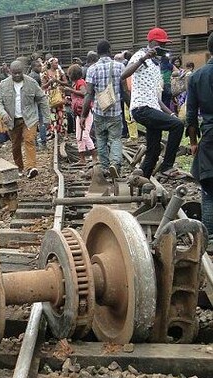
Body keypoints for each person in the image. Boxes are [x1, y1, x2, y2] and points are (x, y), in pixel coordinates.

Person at [121, 27, 185, 179]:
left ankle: (143, 184)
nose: (163, 48)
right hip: (142, 108)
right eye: (161, 44)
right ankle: (167, 166)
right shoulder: (141, 55)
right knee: (177, 126)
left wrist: (171, 113)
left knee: (154, 151)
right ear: (153, 43)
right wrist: (144, 58)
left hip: (152, 107)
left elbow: (156, 98)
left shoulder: (157, 66)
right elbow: (124, 75)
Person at [0, 61, 50, 179]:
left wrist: (46, 118)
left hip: (29, 118)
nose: (16, 75)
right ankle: (19, 167)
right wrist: (3, 113)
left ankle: (31, 168)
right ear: (10, 71)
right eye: (14, 73)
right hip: (12, 120)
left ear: (23, 71)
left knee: (29, 140)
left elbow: (42, 99)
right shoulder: (3, 85)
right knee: (15, 145)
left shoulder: (31, 83)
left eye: (19, 73)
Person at [82, 40, 125, 177]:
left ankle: (106, 167)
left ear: (97, 52)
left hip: (99, 111)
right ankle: (115, 163)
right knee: (115, 139)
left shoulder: (92, 69)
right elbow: (125, 91)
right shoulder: (120, 66)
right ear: (110, 50)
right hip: (115, 110)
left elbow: (89, 94)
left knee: (100, 139)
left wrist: (83, 115)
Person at [186, 32, 213, 247]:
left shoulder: (196, 77)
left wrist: (193, 143)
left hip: (210, 138)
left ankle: (210, 241)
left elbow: (191, 115)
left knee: (209, 190)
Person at [65, 64, 98, 165]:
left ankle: (95, 157)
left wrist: (70, 90)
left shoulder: (80, 82)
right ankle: (82, 159)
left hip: (86, 112)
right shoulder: (75, 84)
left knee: (85, 136)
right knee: (78, 137)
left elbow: (84, 93)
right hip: (78, 113)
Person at [42, 57, 68, 140]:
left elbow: (66, 82)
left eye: (57, 63)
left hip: (60, 96)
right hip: (51, 97)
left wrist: (57, 81)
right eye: (55, 63)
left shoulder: (60, 72)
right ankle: (54, 132)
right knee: (53, 115)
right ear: (51, 64)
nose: (57, 64)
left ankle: (65, 133)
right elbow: (42, 86)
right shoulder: (45, 73)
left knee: (62, 115)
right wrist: (49, 82)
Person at [29, 60, 47, 147]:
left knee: (33, 122)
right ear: (34, 67)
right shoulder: (36, 76)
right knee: (41, 121)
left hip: (31, 102)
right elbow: (38, 90)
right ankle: (43, 141)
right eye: (38, 66)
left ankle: (35, 142)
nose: (40, 68)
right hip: (37, 102)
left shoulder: (29, 75)